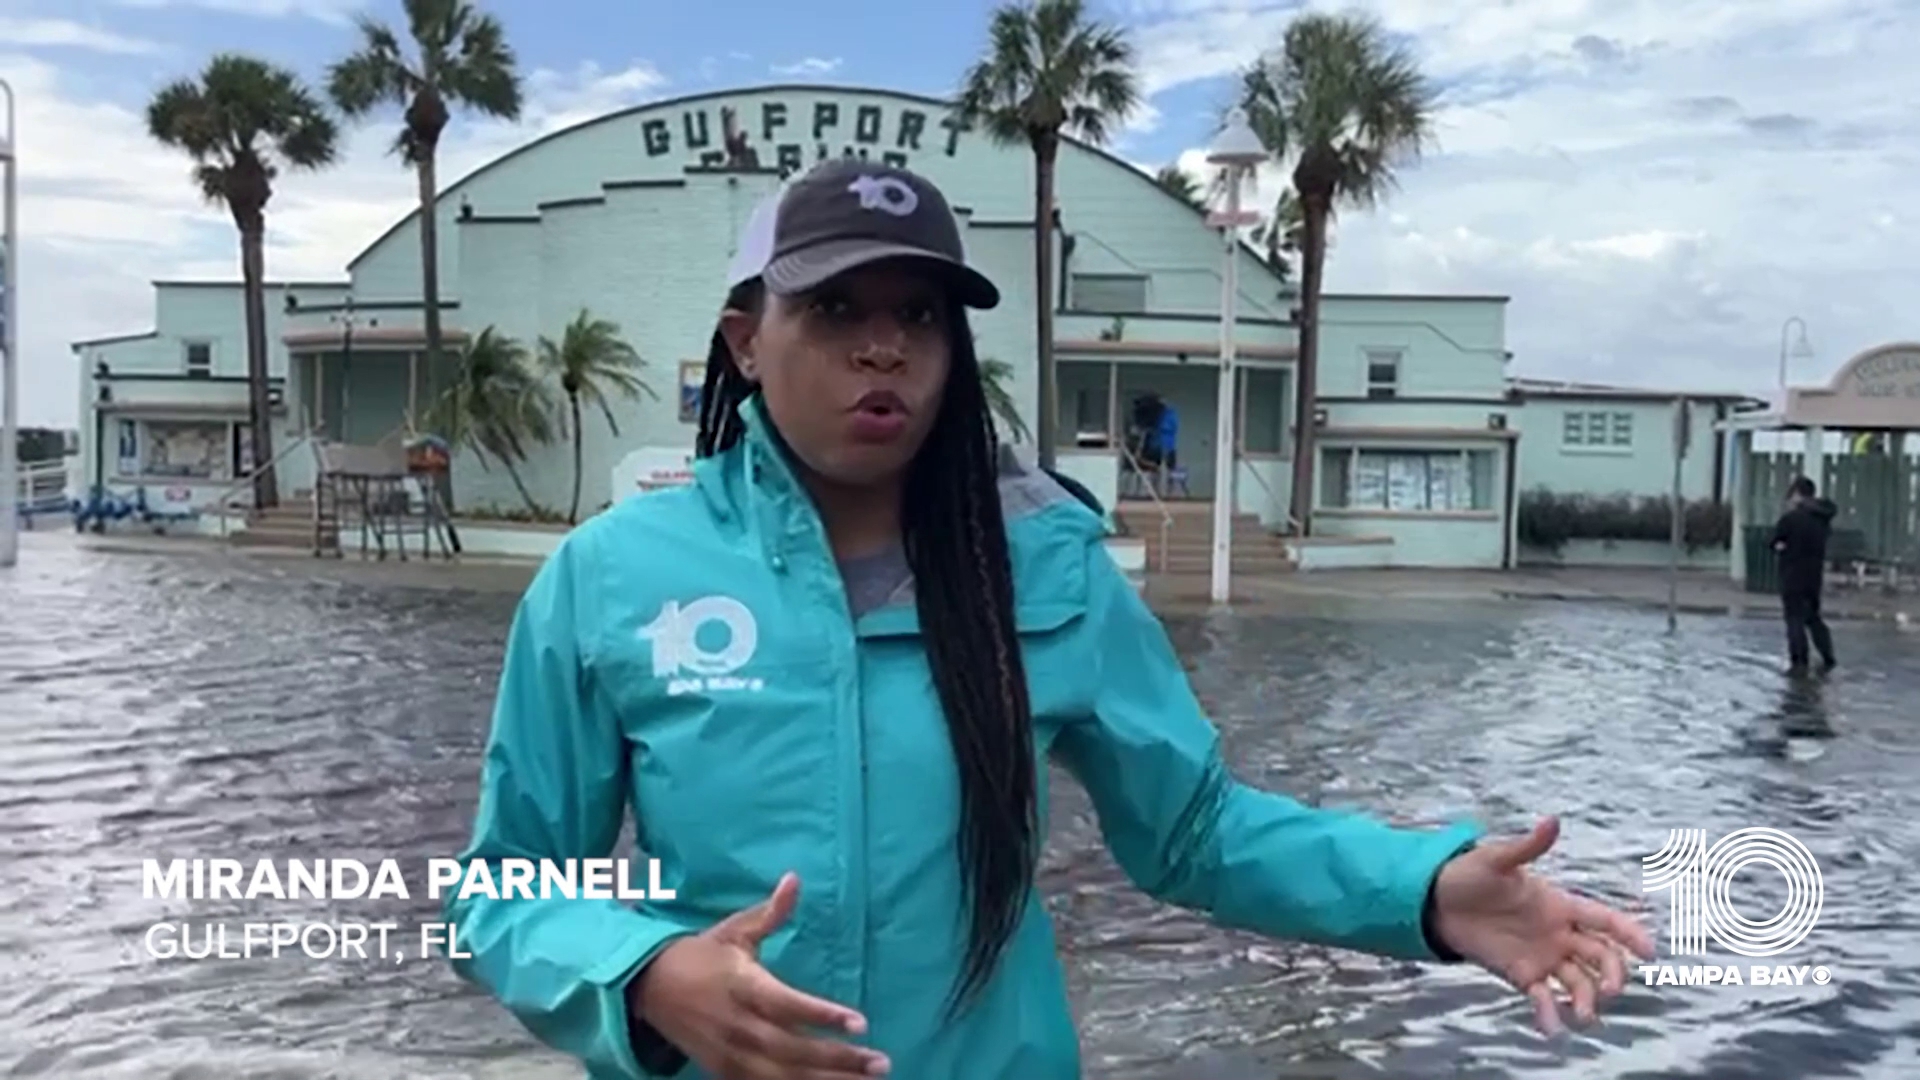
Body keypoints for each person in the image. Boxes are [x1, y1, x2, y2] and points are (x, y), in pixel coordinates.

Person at [443, 159, 1654, 1080]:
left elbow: (1192, 832)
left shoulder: (1046, 565)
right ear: (747, 342)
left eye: (921, 316)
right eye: (835, 309)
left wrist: (1425, 891)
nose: (884, 347)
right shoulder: (609, 579)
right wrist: (647, 975)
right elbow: (509, 885)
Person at [1772, 475, 1838, 674]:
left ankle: (1799, 661)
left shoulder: (1790, 519)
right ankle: (1828, 656)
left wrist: (1781, 547)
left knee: (1794, 619)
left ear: (1798, 494)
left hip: (1792, 574)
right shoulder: (1822, 519)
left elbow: (1774, 542)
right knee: (1813, 618)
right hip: (1813, 576)